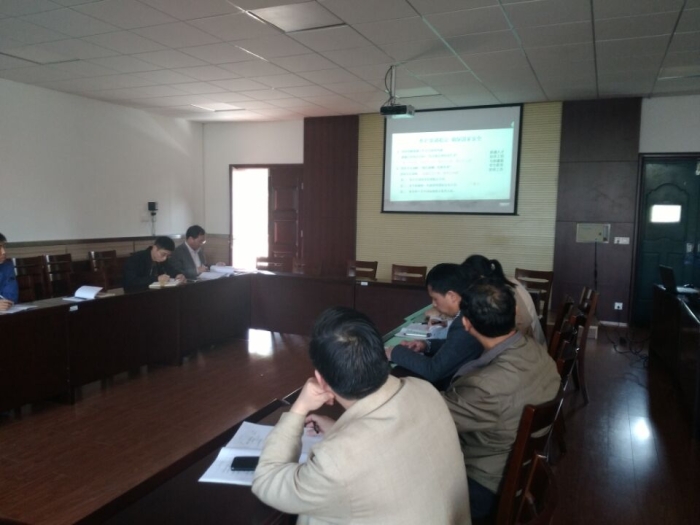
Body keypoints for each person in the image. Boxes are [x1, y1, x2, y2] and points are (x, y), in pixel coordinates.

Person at [252, 307, 471, 525]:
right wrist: (340, 430)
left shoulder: (335, 462)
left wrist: (299, 408)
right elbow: (388, 447)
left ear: (321, 381)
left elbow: (267, 481)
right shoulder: (425, 390)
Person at [442, 278, 560, 520]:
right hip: (520, 470)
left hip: (485, 484)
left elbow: (434, 418)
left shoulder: (484, 387)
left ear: (466, 323)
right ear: (514, 311)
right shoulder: (538, 351)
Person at [385, 263, 482, 389]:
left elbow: (434, 371)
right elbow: (456, 347)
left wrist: (395, 352)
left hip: (455, 388)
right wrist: (426, 345)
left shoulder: (464, 323)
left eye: (435, 299)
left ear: (452, 296)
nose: (434, 304)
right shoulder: (469, 313)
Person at [461, 255, 546, 345]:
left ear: (479, 277)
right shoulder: (505, 282)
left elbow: (525, 323)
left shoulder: (501, 292)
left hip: (528, 342)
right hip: (526, 342)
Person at [0, 232, 19, 311]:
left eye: (4, 247)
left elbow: (11, 295)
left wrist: (4, 303)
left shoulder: (7, 266)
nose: (3, 252)